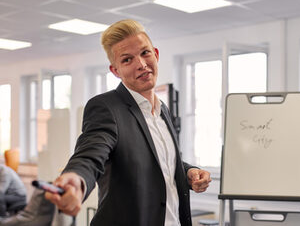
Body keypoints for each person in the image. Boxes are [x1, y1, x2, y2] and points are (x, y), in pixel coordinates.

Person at [45, 19, 211, 226]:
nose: (141, 64)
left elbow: (157, 161)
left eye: (145, 53)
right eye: (127, 60)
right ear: (115, 71)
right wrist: (76, 179)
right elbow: (91, 153)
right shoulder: (106, 107)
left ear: (156, 54)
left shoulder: (163, 111)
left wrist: (188, 172)